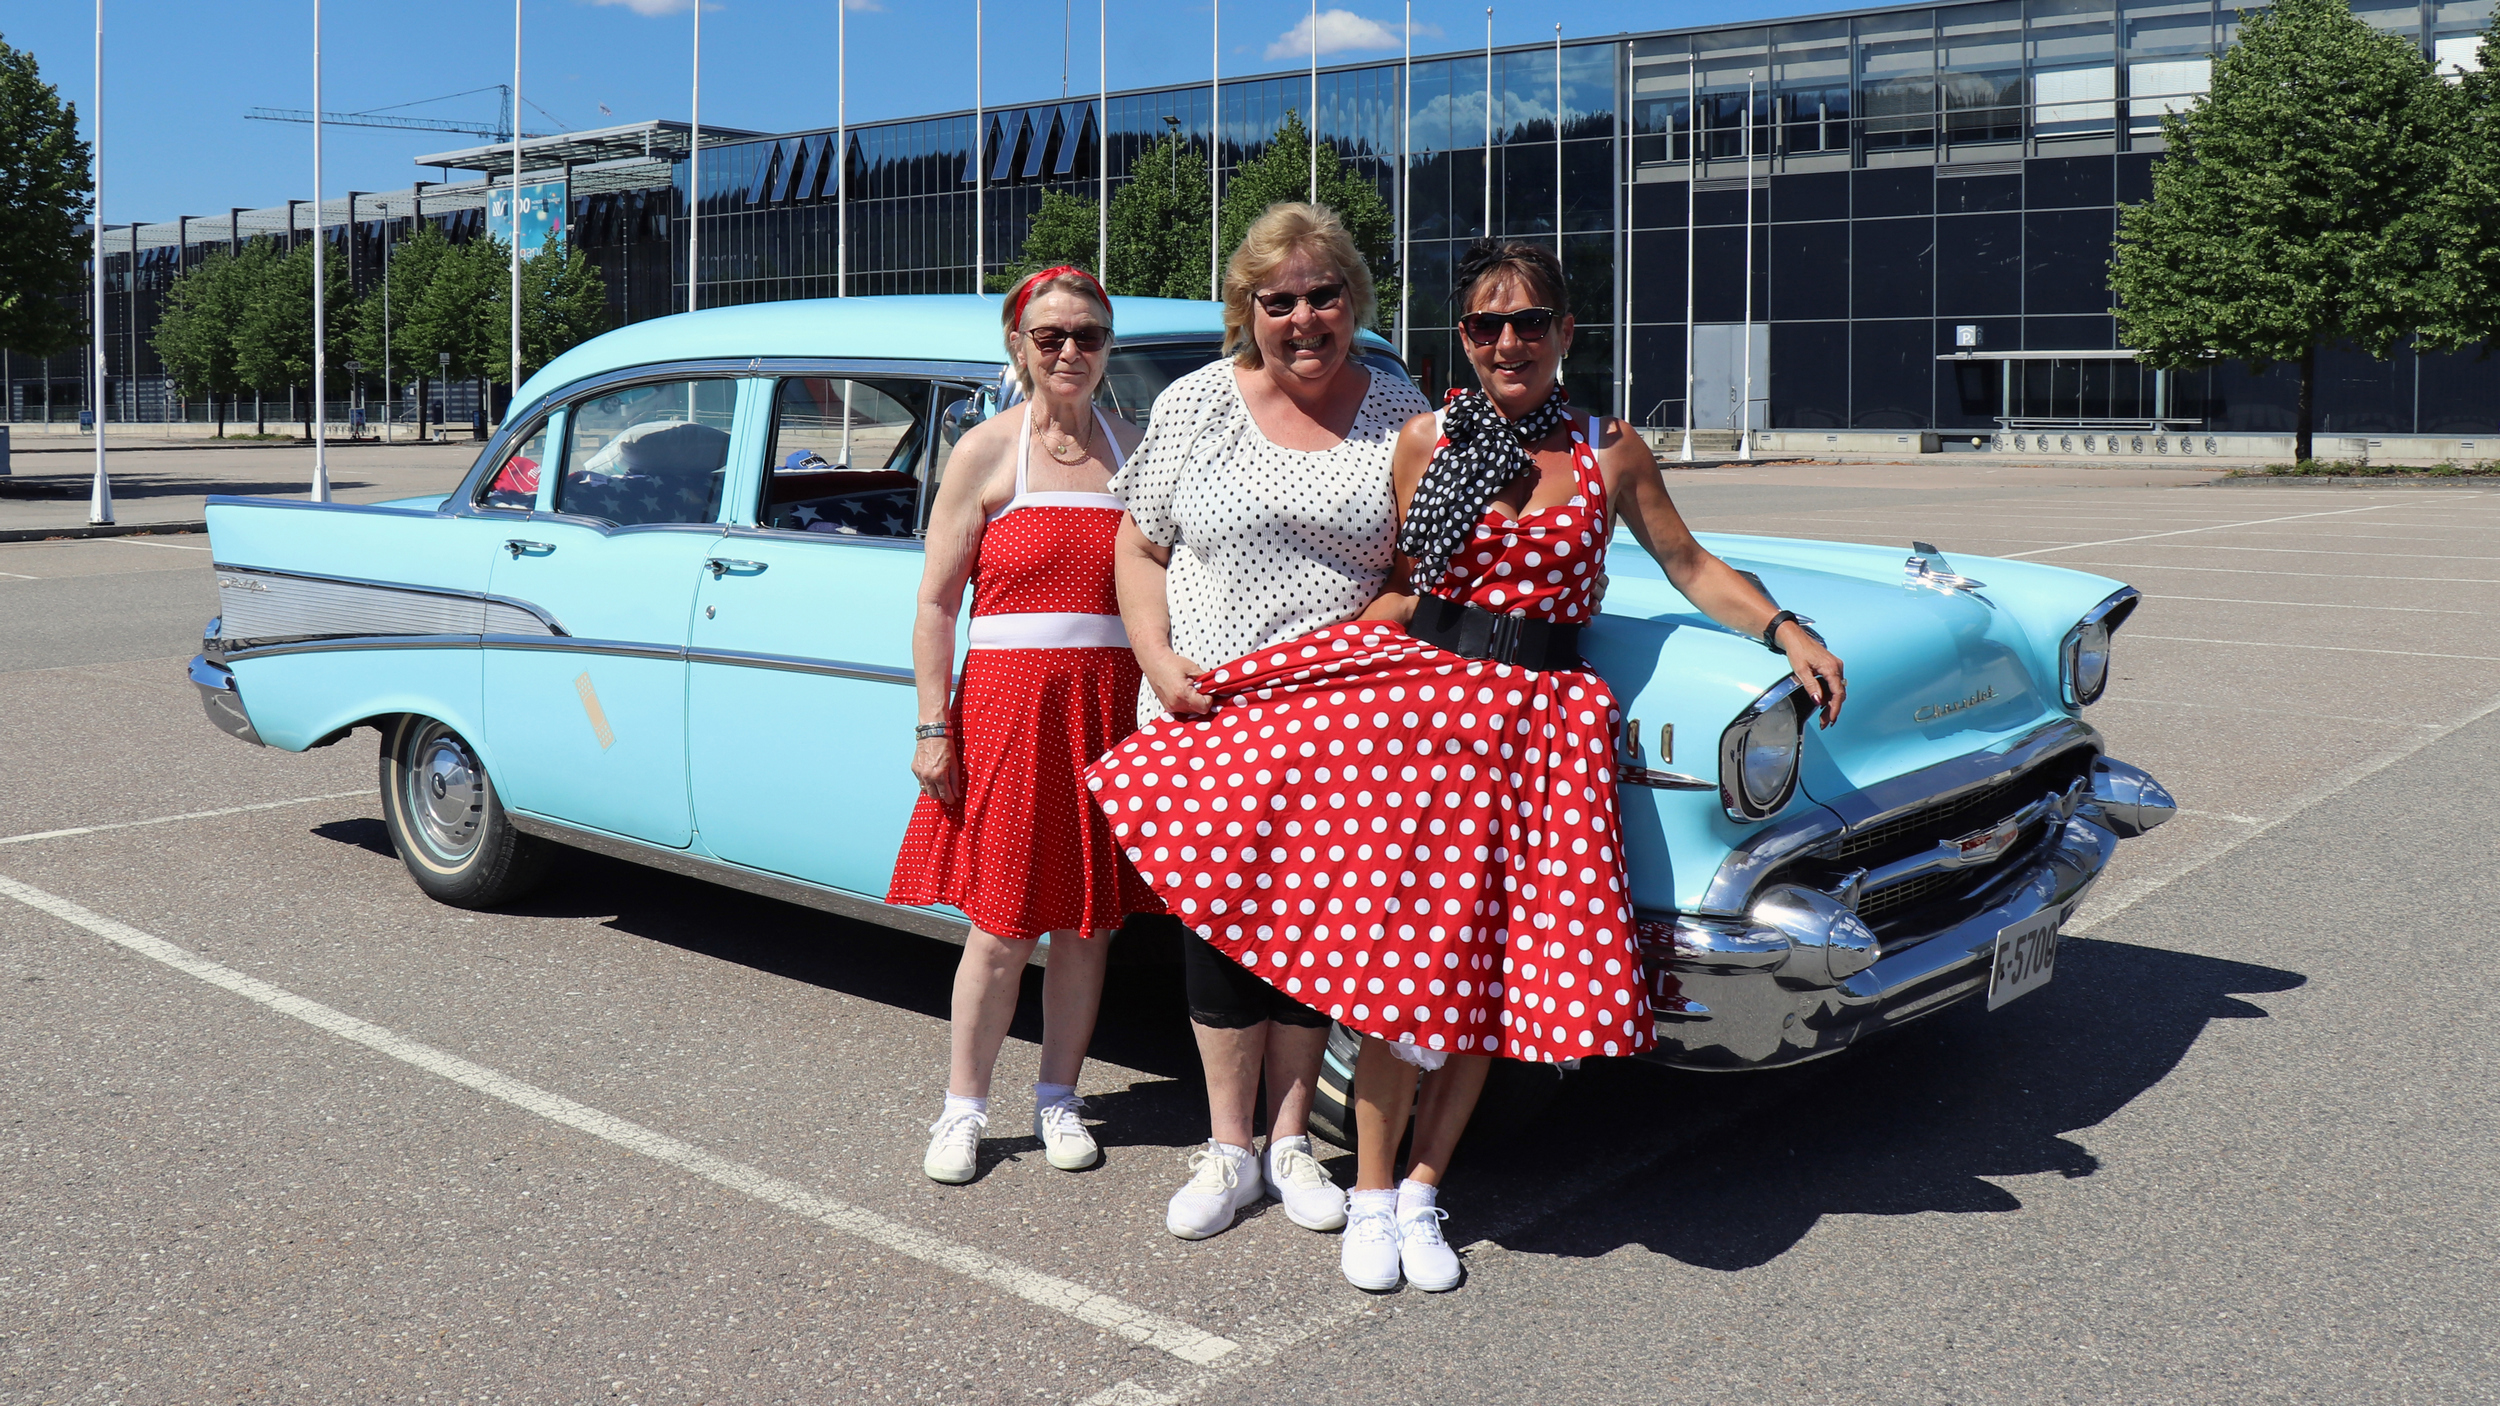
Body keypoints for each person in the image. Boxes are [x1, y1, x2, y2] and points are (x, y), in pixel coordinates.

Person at [1090, 239, 1848, 1291]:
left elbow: (1687, 563)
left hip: (1546, 730)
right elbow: (1405, 589)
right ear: (1465, 338)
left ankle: (1419, 1190)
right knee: (1403, 971)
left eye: (1530, 322)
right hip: (1432, 717)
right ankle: (1364, 1193)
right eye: (1488, 325)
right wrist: (1299, 674)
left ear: (1565, 332)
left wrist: (1782, 626)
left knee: (1493, 971)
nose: (1509, 342)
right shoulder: (1426, 439)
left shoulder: (1610, 448)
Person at [1108, 202, 1435, 1241]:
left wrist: (1345, 651)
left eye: (1323, 295)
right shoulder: (1198, 402)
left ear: (1354, 300)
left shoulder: (1401, 409)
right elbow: (1139, 544)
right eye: (1277, 300)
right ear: (1245, 309)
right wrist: (1156, 658)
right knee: (1217, 929)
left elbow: (1416, 572)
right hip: (1205, 712)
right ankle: (1228, 1147)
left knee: (1314, 934)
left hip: (1340, 718)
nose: (1303, 319)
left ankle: (1289, 1141)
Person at [889, 266, 1158, 1185]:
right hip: (1010, 710)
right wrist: (933, 726)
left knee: (1087, 925)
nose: (1070, 351)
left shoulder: (1135, 451)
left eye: (1088, 335)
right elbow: (936, 604)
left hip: (1109, 710)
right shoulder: (985, 452)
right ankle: (963, 1108)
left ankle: (1058, 1097)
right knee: (1001, 926)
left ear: (1108, 347)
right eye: (1051, 337)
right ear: (1019, 346)